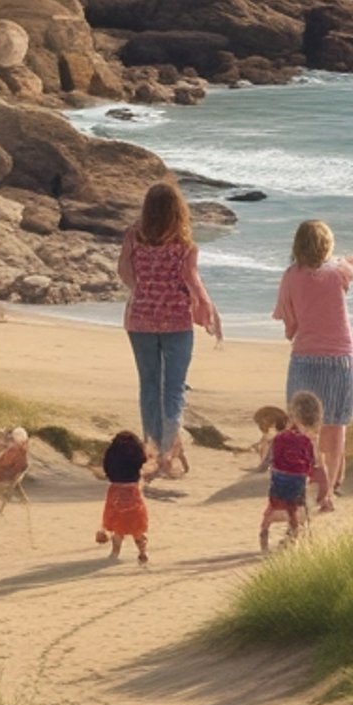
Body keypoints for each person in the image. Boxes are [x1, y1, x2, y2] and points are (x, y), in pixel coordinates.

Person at [273, 218, 353, 500]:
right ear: (326, 246)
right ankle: (330, 488)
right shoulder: (338, 272)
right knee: (336, 425)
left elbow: (290, 326)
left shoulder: (290, 276)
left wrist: (300, 330)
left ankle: (306, 477)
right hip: (340, 360)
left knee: (303, 427)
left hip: (304, 360)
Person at [118, 180, 221, 477]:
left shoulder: (133, 235)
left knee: (148, 385)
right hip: (176, 322)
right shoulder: (184, 244)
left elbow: (123, 269)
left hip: (139, 320)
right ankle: (166, 451)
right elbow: (192, 281)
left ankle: (150, 449)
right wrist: (209, 309)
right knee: (173, 388)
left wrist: (138, 287)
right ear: (178, 210)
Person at [259, 393, 325, 551]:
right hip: (298, 479)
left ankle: (265, 537)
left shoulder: (280, 437)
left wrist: (263, 465)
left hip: (280, 478)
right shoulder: (310, 439)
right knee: (295, 508)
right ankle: (296, 536)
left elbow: (269, 458)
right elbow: (314, 463)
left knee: (273, 509)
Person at [98, 431, 150, 564]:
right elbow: (143, 460)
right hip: (132, 490)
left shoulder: (111, 455)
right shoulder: (136, 456)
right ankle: (142, 552)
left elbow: (106, 469)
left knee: (117, 525)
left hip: (115, 490)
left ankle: (114, 554)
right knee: (136, 525)